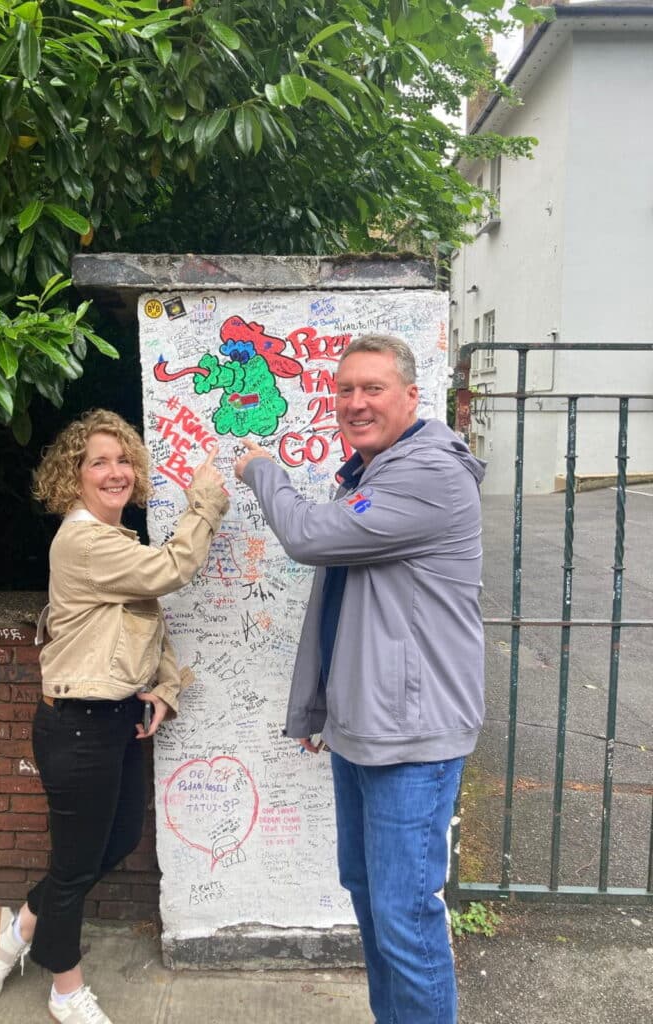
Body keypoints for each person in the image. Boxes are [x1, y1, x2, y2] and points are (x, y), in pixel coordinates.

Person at [234, 334, 485, 1024]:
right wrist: (327, 711)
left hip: (414, 735)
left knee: (403, 918)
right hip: (367, 728)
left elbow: (310, 537)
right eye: (344, 390)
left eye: (372, 388)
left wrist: (262, 469)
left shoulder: (427, 473)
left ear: (411, 397)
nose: (354, 402)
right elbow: (348, 608)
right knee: (369, 896)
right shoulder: (372, 472)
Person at [0, 409, 228, 1024]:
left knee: (115, 841)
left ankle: (20, 924)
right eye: (99, 461)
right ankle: (65, 988)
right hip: (75, 725)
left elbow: (148, 617)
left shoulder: (116, 540)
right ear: (74, 476)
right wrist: (204, 504)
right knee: (72, 867)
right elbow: (171, 571)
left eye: (123, 460)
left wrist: (165, 686)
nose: (115, 472)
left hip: (113, 720)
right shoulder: (84, 541)